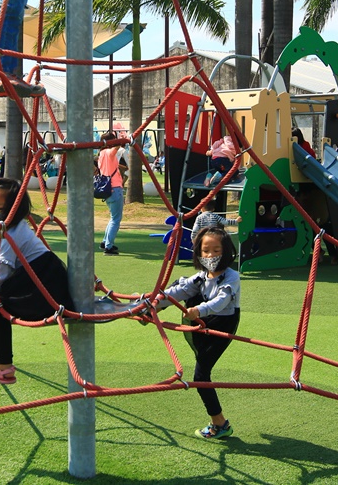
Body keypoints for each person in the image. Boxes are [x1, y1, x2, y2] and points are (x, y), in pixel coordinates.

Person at [0, 177, 74, 400]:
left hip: (43, 286)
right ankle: (4, 367)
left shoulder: (12, 233)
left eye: (0, 209)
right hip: (41, 280)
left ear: (16, 209)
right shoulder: (11, 229)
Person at [141, 226, 240, 439]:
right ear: (198, 252)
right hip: (202, 318)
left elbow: (222, 301)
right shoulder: (202, 276)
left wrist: (198, 310)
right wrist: (154, 299)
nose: (211, 255)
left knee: (201, 375)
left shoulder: (231, 277)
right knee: (181, 285)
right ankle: (150, 310)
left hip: (222, 322)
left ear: (227, 251)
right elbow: (180, 291)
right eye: (205, 250)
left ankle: (220, 423)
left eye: (216, 250)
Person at [97, 131, 126, 255]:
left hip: (107, 189)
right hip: (115, 188)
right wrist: (121, 140)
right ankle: (108, 246)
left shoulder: (101, 154)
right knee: (116, 219)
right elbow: (115, 149)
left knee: (113, 218)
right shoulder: (109, 153)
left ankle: (105, 241)